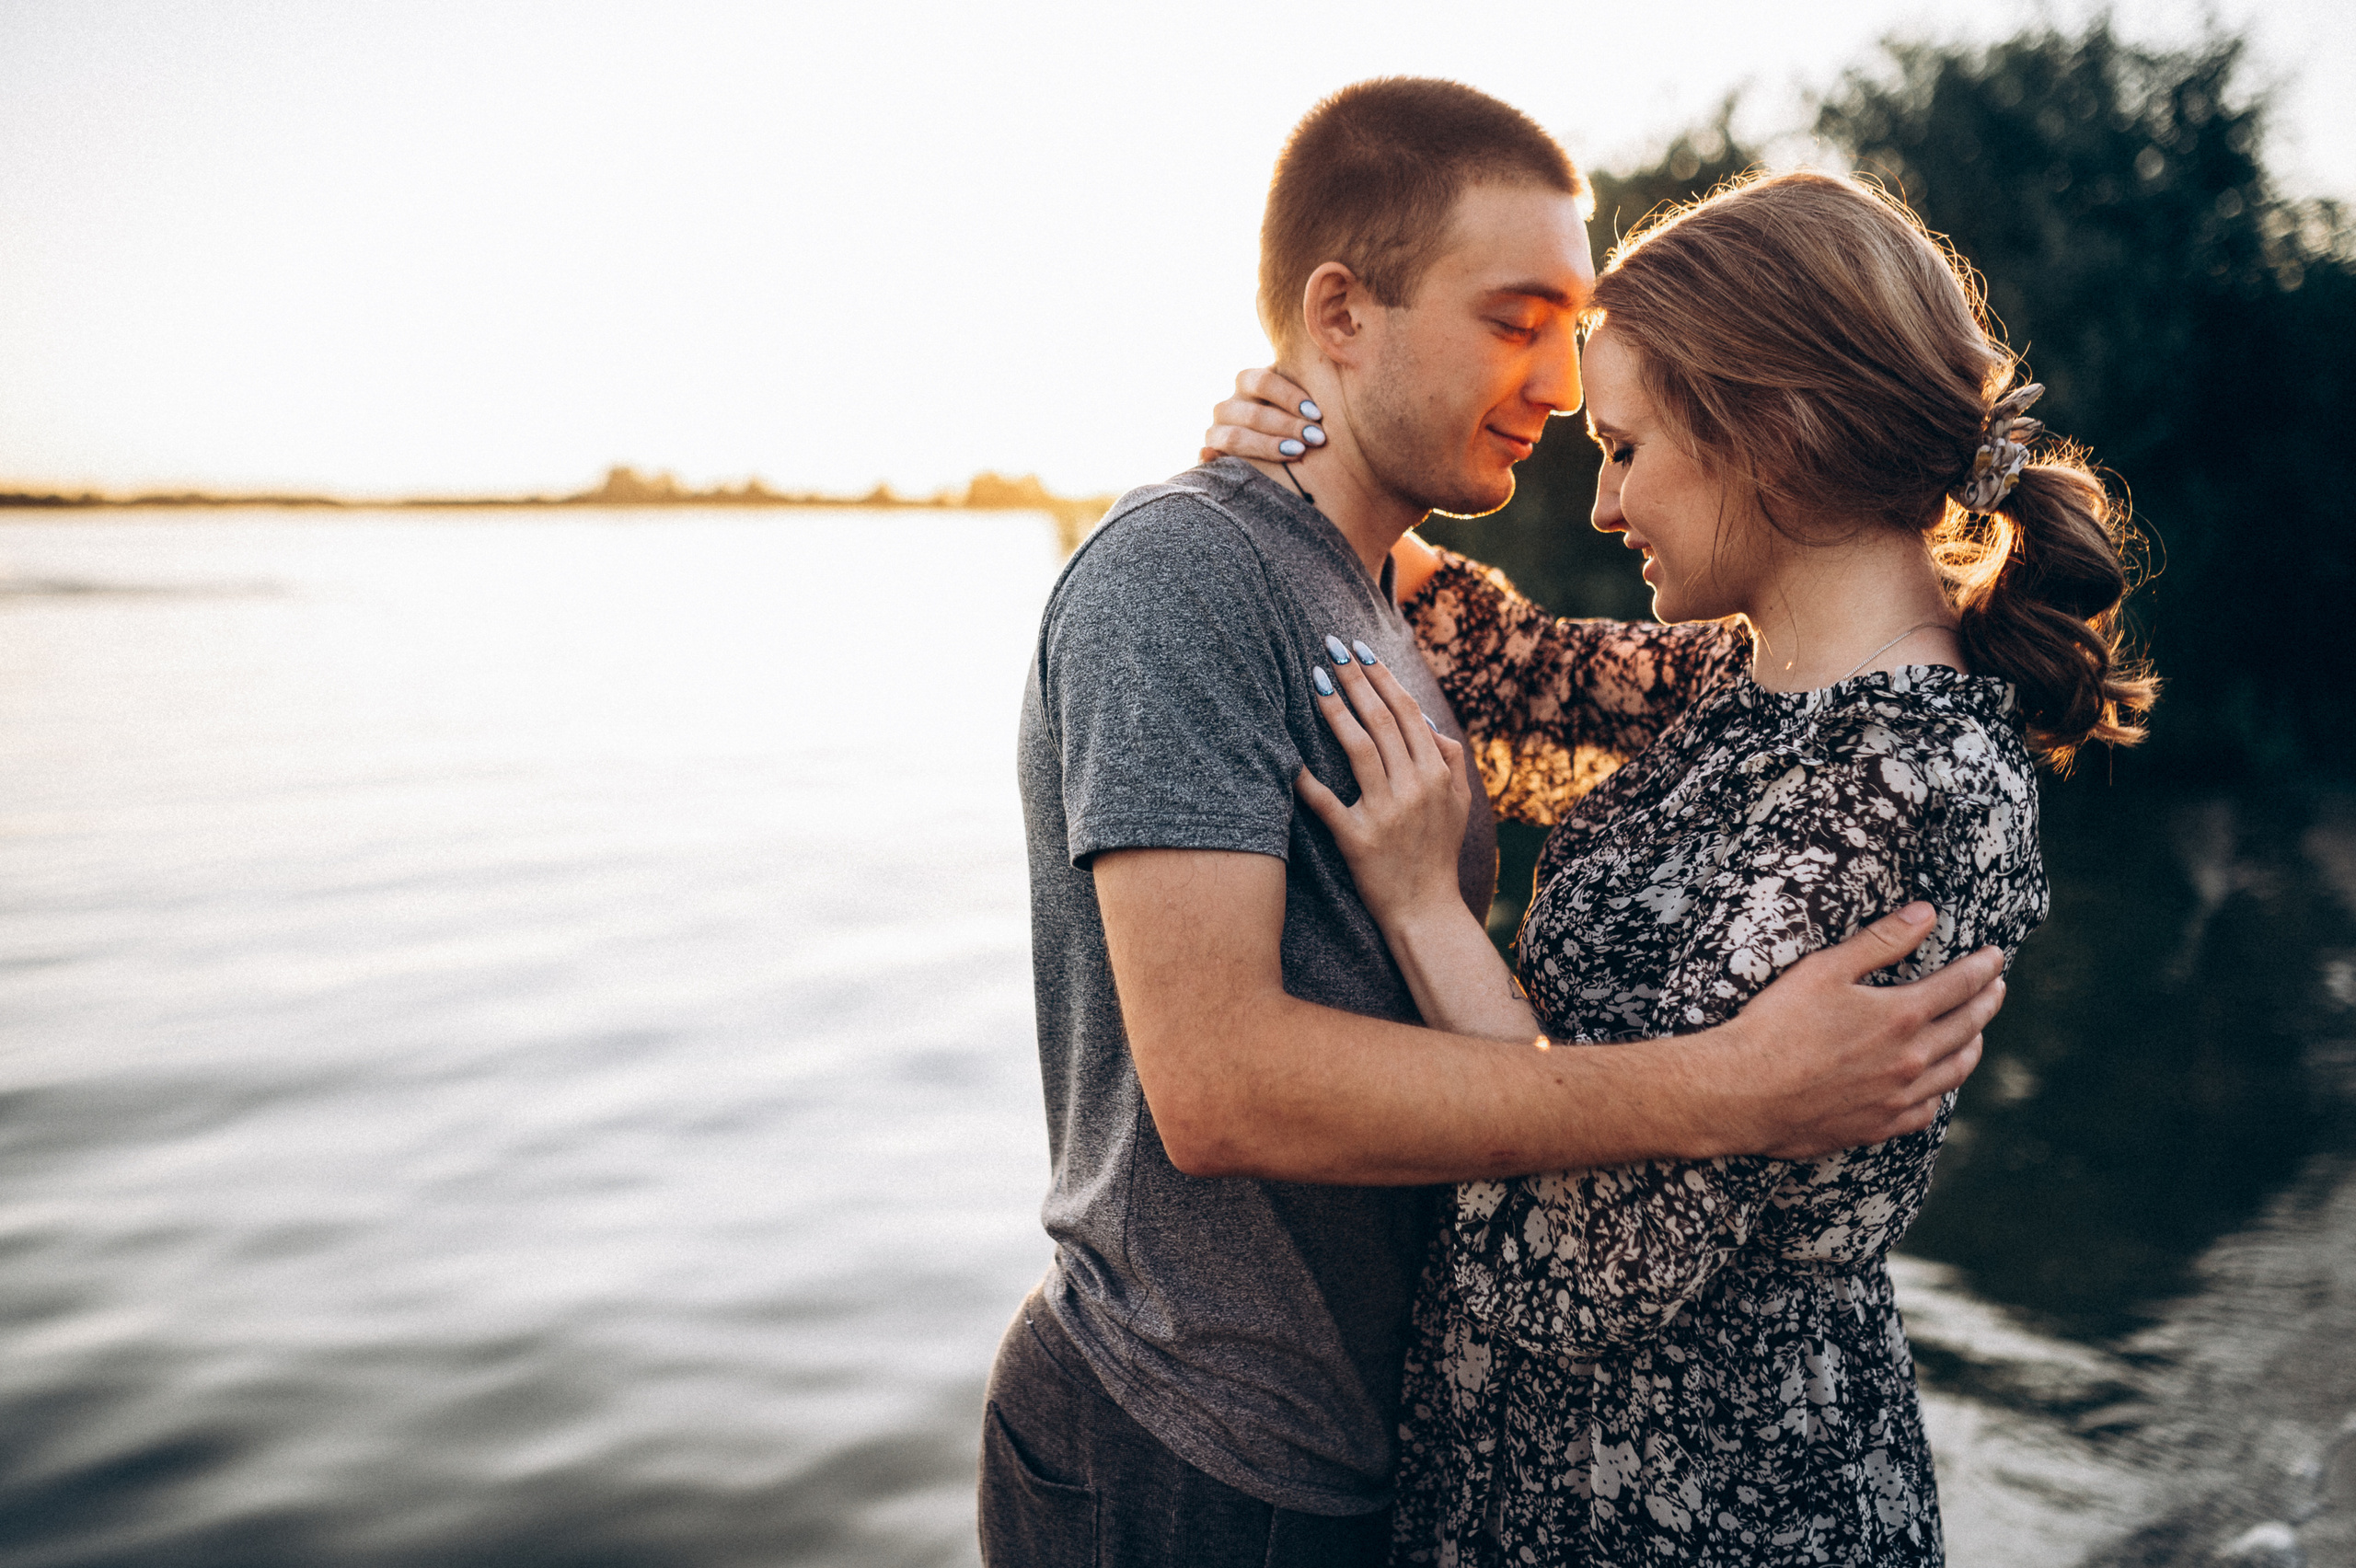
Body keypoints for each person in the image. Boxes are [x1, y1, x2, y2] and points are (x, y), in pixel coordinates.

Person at [985, 81, 2009, 1568]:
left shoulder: (1407, 603)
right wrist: (1728, 1087)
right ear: (1341, 314)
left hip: (1386, 1447)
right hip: (1197, 1437)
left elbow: (1828, 671)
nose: (1557, 380)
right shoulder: (1180, 579)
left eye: (1572, 335)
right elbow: (1214, 1086)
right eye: (1515, 318)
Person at [1201, 168, 2154, 1563]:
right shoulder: (1755, 677)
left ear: (1770, 432)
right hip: (1550, 1491)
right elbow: (1513, 669)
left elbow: (1585, 1262)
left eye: (1628, 448)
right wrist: (1306, 462)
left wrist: (1423, 910)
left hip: (1706, 1513)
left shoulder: (1903, 784)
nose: (1600, 504)